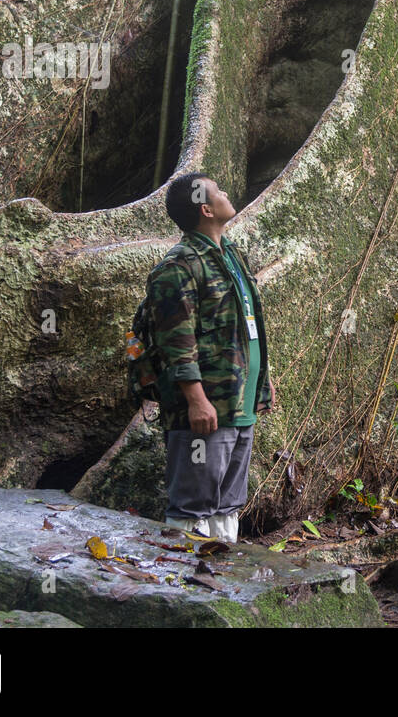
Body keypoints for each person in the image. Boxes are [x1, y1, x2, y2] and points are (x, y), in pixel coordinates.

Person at [148, 170, 274, 543]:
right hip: (206, 410)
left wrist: (261, 382)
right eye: (218, 191)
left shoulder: (230, 255)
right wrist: (196, 399)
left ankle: (224, 586)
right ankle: (182, 591)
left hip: (239, 402)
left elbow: (246, 323)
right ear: (205, 208)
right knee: (192, 504)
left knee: (228, 503)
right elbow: (176, 340)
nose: (226, 194)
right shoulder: (180, 266)